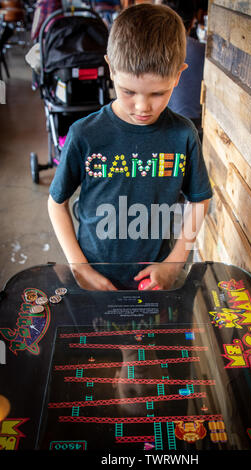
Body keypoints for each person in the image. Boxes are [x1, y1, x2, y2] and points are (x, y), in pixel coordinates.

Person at [47, 3, 212, 291]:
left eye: (158, 93)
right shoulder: (85, 134)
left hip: (155, 280)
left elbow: (199, 200)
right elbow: (56, 203)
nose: (142, 106)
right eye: (128, 91)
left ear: (178, 75)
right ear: (110, 68)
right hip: (94, 277)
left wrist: (174, 264)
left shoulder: (183, 135)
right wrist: (80, 268)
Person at [163, 0, 206, 138]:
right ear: (194, 19)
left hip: (163, 125)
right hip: (196, 128)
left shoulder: (155, 50)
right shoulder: (203, 52)